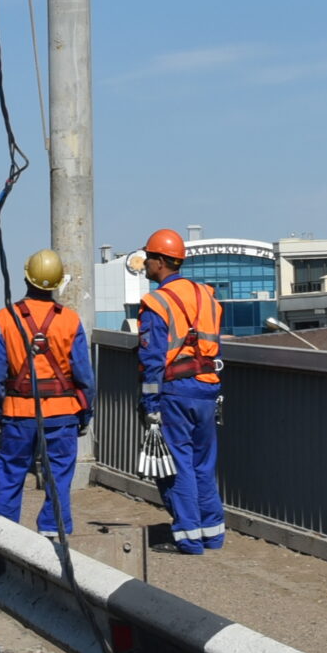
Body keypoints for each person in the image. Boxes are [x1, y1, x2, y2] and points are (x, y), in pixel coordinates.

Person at [0, 248, 92, 537]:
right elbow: (84, 374)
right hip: (62, 413)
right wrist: (85, 411)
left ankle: (1, 535)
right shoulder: (70, 320)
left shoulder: (6, 318)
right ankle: (53, 532)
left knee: (11, 473)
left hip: (18, 413)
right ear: (58, 283)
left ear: (27, 278)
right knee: (59, 475)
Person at [136, 227, 225, 554]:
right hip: (207, 387)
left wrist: (150, 404)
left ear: (160, 261)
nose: (145, 264)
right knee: (204, 464)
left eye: (148, 258)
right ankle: (213, 534)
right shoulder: (206, 296)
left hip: (175, 391)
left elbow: (151, 361)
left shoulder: (156, 302)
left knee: (180, 467)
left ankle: (188, 539)